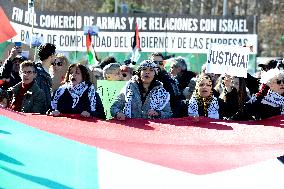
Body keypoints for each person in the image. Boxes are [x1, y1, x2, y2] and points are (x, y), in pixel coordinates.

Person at [150, 52, 181, 117]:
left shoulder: (167, 79)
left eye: (160, 63)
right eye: (154, 62)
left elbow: (173, 102)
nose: (157, 65)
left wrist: (159, 113)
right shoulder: (143, 77)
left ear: (163, 64)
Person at [35, 43, 56, 112]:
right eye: (55, 54)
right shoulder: (38, 74)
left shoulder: (45, 72)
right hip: (39, 114)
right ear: (51, 55)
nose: (55, 57)